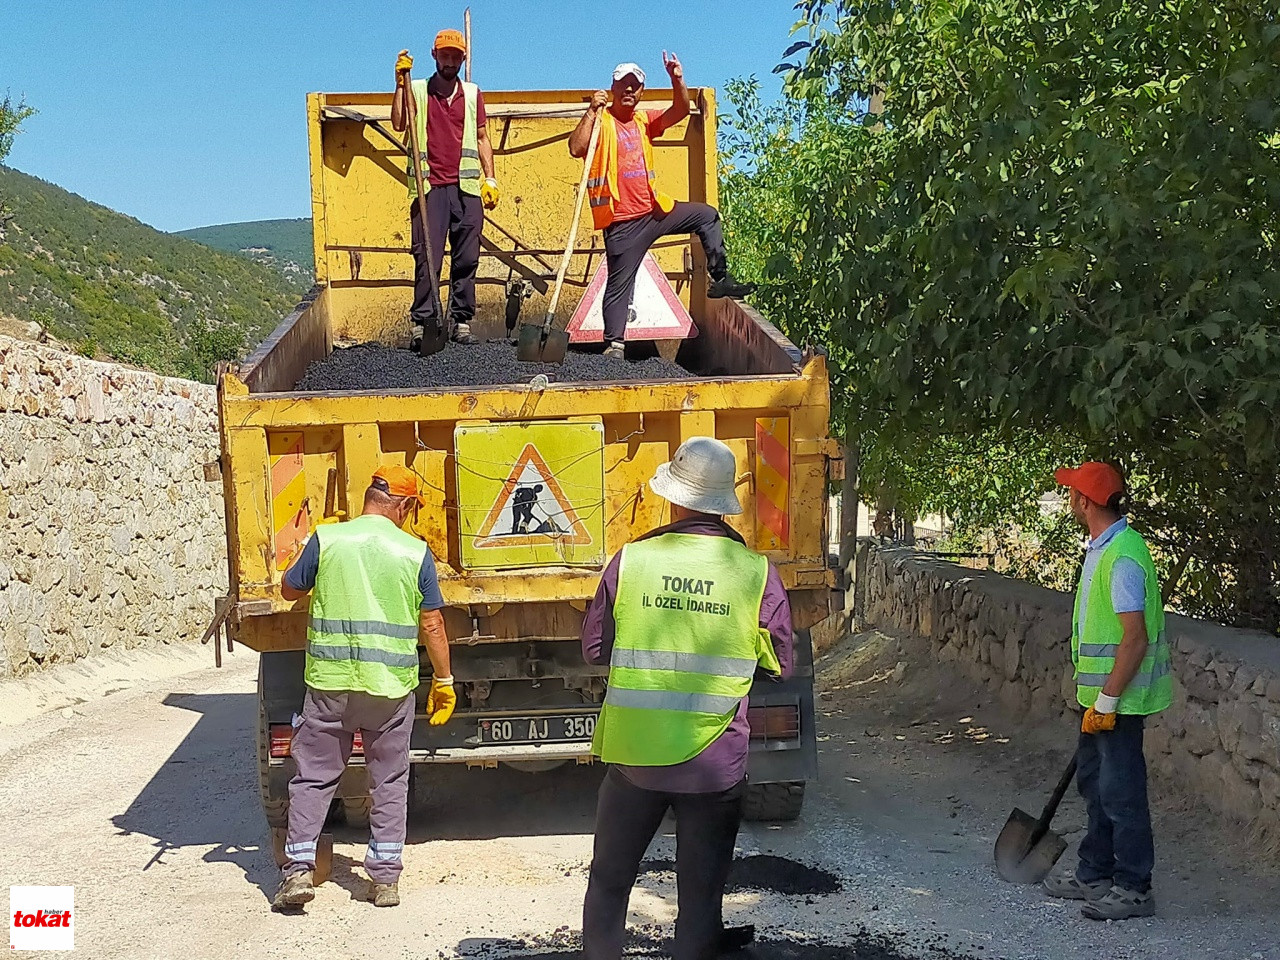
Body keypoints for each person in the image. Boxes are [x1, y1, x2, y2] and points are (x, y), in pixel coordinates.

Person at [579, 436, 793, 960]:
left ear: (673, 498)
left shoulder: (630, 561)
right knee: (699, 900)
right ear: (723, 503)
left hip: (634, 758)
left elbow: (593, 649)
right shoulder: (755, 573)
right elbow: (781, 663)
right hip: (713, 762)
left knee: (609, 883)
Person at [272, 465, 456, 911]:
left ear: (370, 497)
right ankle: (385, 881)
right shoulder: (415, 553)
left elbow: (289, 590)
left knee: (314, 778)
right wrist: (445, 679)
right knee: (389, 779)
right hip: (389, 691)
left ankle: (297, 872)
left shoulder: (329, 539)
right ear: (405, 506)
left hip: (330, 685)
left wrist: (309, 560)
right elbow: (432, 623)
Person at [1042, 461, 1172, 920]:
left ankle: (1135, 887)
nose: (1068, 501)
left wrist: (1110, 700)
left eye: (1071, 494)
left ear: (1084, 502)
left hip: (1119, 699)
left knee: (1121, 792)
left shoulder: (1122, 556)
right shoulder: (1103, 548)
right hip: (1099, 699)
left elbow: (1133, 637)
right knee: (1096, 785)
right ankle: (1094, 870)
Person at [568, 56, 755, 360]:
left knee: (706, 215)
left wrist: (677, 78)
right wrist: (590, 111)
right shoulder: (601, 122)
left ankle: (720, 279)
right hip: (622, 222)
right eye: (623, 85)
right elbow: (576, 148)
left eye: (635, 86)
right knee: (619, 285)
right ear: (612, 87)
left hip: (655, 212)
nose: (629, 90)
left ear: (641, 91)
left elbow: (680, 111)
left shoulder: (643, 121)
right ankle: (614, 345)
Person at [391, 31, 499, 347]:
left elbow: (481, 137)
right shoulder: (417, 90)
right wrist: (399, 84)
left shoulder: (472, 93)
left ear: (462, 59)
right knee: (427, 257)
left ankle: (461, 322)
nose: (450, 61)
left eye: (455, 56)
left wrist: (490, 178)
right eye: (444, 55)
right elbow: (399, 122)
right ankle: (423, 323)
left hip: (465, 189)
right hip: (430, 189)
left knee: (467, 258)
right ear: (434, 56)